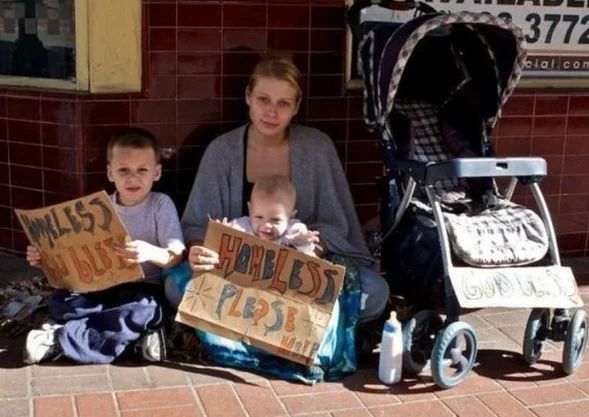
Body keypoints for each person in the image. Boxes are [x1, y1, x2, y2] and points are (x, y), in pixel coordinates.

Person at [168, 55, 389, 326]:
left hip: (300, 275)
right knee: (176, 286)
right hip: (236, 274)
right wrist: (201, 250)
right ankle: (282, 322)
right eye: (263, 99)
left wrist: (309, 250)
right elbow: (197, 225)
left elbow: (337, 225)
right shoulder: (222, 151)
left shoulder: (317, 148)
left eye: (283, 103)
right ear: (248, 97)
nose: (271, 112)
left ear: (296, 106)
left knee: (375, 292)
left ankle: (257, 323)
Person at [24, 127, 185, 364]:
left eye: (142, 170)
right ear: (110, 173)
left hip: (142, 289)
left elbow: (176, 255)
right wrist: (45, 259)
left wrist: (150, 252)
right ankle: (135, 336)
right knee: (63, 302)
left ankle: (59, 339)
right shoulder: (97, 209)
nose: (133, 178)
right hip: (100, 288)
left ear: (157, 172)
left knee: (145, 310)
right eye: (123, 170)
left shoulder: (160, 205)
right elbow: (73, 260)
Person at [227, 175, 318, 256]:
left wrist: (302, 243)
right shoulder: (244, 226)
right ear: (250, 210)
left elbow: (308, 255)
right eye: (259, 217)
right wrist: (226, 230)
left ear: (290, 217)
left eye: (275, 220)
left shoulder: (294, 232)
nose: (266, 225)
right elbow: (232, 231)